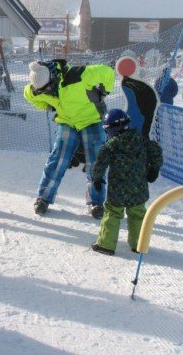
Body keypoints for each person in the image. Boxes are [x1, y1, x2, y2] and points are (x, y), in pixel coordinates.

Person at [24, 59, 115, 218]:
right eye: (44, 91)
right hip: (67, 122)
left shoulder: (80, 75)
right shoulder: (39, 89)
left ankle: (96, 202)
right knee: (58, 160)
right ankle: (43, 199)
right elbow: (28, 94)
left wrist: (105, 90)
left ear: (53, 76)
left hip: (92, 120)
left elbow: (108, 72)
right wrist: (46, 105)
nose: (48, 91)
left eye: (49, 87)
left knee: (96, 162)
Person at [90, 109, 163, 255]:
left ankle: (106, 244)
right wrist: (154, 169)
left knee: (112, 213)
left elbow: (100, 163)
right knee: (138, 214)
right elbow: (156, 151)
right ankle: (139, 244)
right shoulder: (141, 140)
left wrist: (97, 178)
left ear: (111, 129)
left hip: (117, 189)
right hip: (139, 188)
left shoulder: (111, 145)